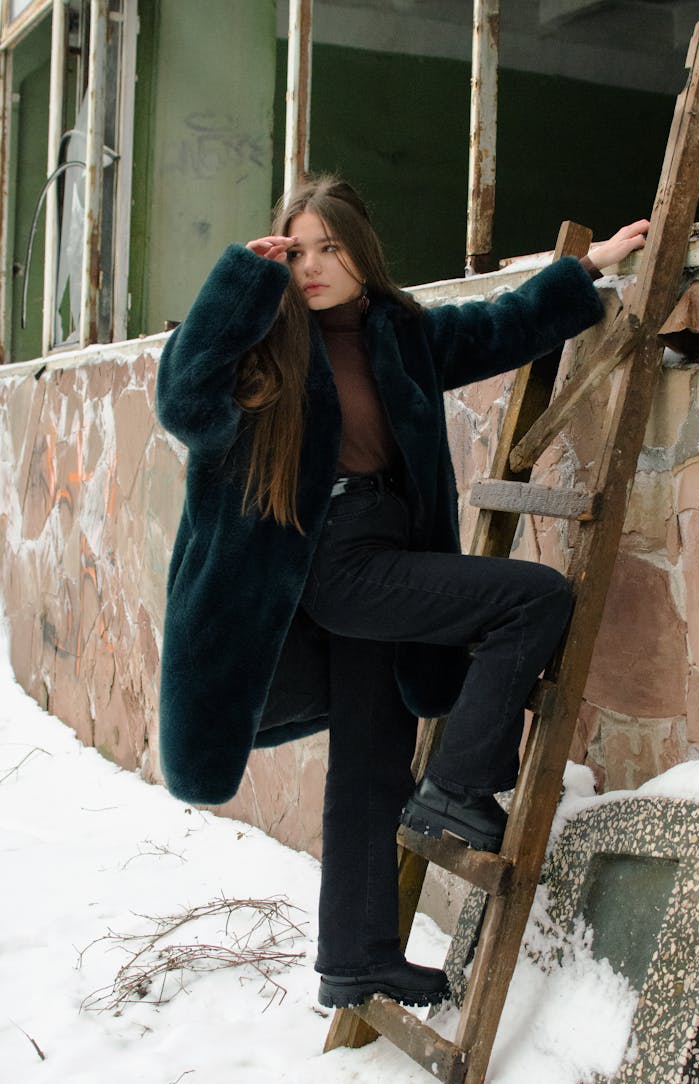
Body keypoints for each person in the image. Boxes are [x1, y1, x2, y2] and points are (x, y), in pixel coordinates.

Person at [156, 175, 648, 1012]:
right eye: (295, 250)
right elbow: (183, 403)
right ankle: (460, 786)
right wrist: (242, 280)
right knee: (533, 599)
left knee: (371, 764)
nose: (310, 267)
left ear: (360, 254)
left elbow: (499, 329)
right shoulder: (262, 351)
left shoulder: (400, 335)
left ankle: (356, 959)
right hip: (334, 565)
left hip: (387, 550)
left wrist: (589, 268)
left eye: (327, 249)